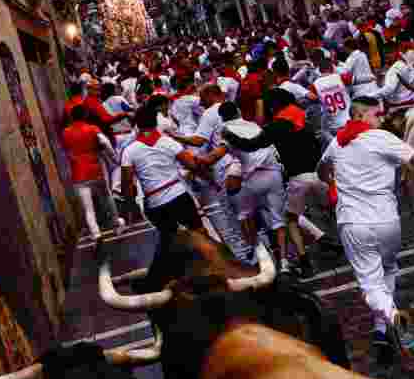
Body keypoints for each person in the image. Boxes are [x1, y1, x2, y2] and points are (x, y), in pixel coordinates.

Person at [316, 96, 414, 364]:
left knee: (370, 283)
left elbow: (321, 170)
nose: (381, 119)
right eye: (377, 114)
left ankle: (391, 314)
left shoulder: (337, 142)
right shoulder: (382, 138)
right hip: (388, 222)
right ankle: (382, 329)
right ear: (362, 116)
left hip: (354, 224)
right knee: (387, 271)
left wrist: (332, 180)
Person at [221, 88, 329, 278]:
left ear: (273, 106)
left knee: (290, 219)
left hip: (297, 178)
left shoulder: (275, 126)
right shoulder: (302, 116)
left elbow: (250, 145)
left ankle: (303, 262)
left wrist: (230, 137)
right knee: (336, 209)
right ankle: (339, 240)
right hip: (321, 174)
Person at [197, 102, 289, 271]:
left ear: (222, 118)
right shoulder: (252, 124)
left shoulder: (226, 131)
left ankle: (257, 254)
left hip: (251, 178)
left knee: (244, 215)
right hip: (273, 173)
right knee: (278, 221)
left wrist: (196, 161)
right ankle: (284, 262)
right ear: (238, 112)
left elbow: (213, 157)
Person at [120, 105, 205, 252]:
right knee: (201, 233)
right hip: (179, 196)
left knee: (171, 242)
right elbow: (192, 165)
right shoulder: (168, 142)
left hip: (155, 204)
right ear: (155, 122)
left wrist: (130, 208)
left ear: (137, 125)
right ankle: (214, 265)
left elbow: (127, 184)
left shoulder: (129, 151)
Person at [61, 104, 125, 240]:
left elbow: (67, 151)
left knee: (88, 207)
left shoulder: (65, 132)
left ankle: (96, 234)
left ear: (72, 117)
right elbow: (106, 143)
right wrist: (114, 158)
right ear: (85, 115)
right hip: (95, 171)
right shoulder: (92, 129)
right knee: (106, 197)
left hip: (78, 174)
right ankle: (116, 223)